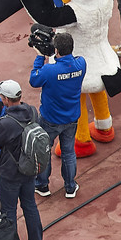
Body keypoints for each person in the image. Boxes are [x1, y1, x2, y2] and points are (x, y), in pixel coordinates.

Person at [0, 80, 47, 240]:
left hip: (9, 174)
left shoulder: (6, 123)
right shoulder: (32, 111)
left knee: (9, 212)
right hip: (29, 170)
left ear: (6, 99)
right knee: (30, 206)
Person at [30, 29, 86, 200]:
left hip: (50, 119)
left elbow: (33, 80)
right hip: (71, 118)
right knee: (69, 152)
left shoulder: (48, 71)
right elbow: (70, 63)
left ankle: (42, 185)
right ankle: (70, 187)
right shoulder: (81, 64)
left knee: (44, 151)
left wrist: (40, 56)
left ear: (56, 51)